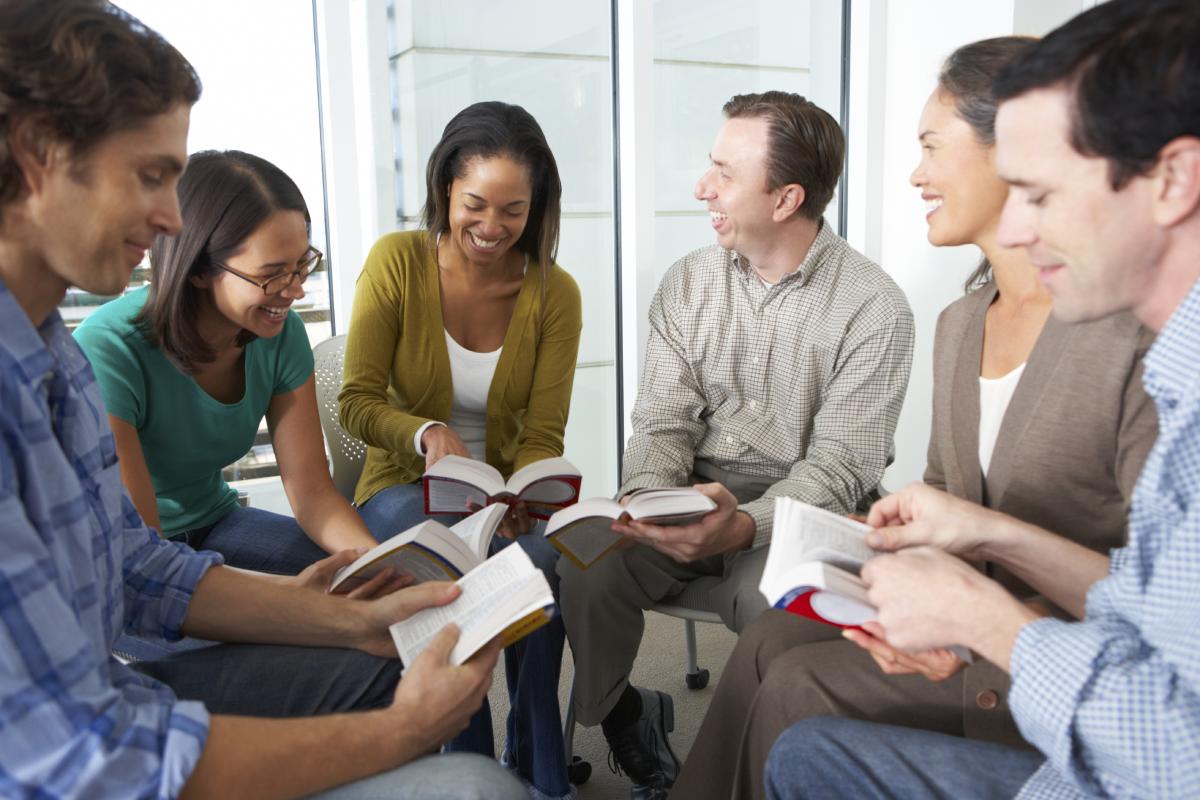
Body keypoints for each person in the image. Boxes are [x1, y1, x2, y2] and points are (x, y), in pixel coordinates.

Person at [0, 1, 525, 797]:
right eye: (149, 176)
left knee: (378, 628)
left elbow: (136, 567)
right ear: (39, 155)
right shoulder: (96, 352)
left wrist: (350, 609)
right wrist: (401, 730)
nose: (170, 217)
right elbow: (86, 756)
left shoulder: (48, 355)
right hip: (108, 735)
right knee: (472, 785)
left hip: (150, 631)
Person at [670, 36, 1159, 800]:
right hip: (963, 607)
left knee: (799, 684)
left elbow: (1151, 591)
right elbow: (948, 491)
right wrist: (895, 549)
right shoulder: (961, 324)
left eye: (932, 146)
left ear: (1017, 149)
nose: (915, 173)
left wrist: (970, 609)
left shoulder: (1129, 333)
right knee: (770, 634)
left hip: (1053, 651)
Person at [557, 90, 915, 799]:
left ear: (785, 199)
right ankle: (626, 712)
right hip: (690, 491)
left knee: (777, 616)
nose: (702, 188)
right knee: (584, 567)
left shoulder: (875, 308)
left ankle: (744, 770)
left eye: (724, 173)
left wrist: (746, 523)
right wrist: (647, 504)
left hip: (800, 513)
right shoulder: (689, 282)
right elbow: (660, 422)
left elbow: (840, 468)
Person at [338, 101, 582, 800]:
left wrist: (519, 498)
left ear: (536, 208)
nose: (492, 227)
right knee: (453, 565)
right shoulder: (396, 262)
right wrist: (424, 433)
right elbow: (356, 400)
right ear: (445, 186)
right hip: (400, 487)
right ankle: (465, 759)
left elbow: (543, 431)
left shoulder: (554, 293)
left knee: (541, 569)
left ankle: (541, 771)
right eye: (476, 204)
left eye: (514, 210)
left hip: (502, 499)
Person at [75, 150, 379, 589]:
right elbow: (144, 560)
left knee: (362, 586)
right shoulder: (108, 350)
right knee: (310, 624)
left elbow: (312, 493)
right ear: (199, 269)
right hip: (135, 563)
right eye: (272, 274)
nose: (294, 291)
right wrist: (291, 599)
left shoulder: (280, 334)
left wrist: (377, 561)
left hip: (216, 524)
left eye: (302, 266)